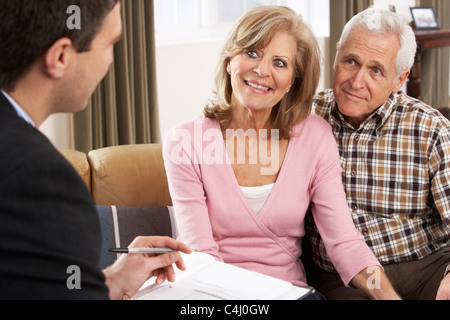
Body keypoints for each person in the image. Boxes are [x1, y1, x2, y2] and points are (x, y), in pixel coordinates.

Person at [163, 6, 400, 300]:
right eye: (251, 52)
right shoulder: (185, 141)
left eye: (279, 62)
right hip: (213, 293)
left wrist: (389, 297)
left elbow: (344, 243)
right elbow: (201, 254)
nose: (262, 70)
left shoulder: (315, 137)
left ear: (293, 81)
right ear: (229, 61)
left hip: (290, 294)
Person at [0, 0, 191, 300]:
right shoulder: (40, 179)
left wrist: (108, 281)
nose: (112, 60)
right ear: (61, 56)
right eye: (110, 43)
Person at [310, 6, 450, 300]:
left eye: (376, 70)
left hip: (425, 266)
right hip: (344, 278)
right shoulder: (306, 118)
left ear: (399, 80)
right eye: (351, 61)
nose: (357, 81)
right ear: (336, 55)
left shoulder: (430, 128)